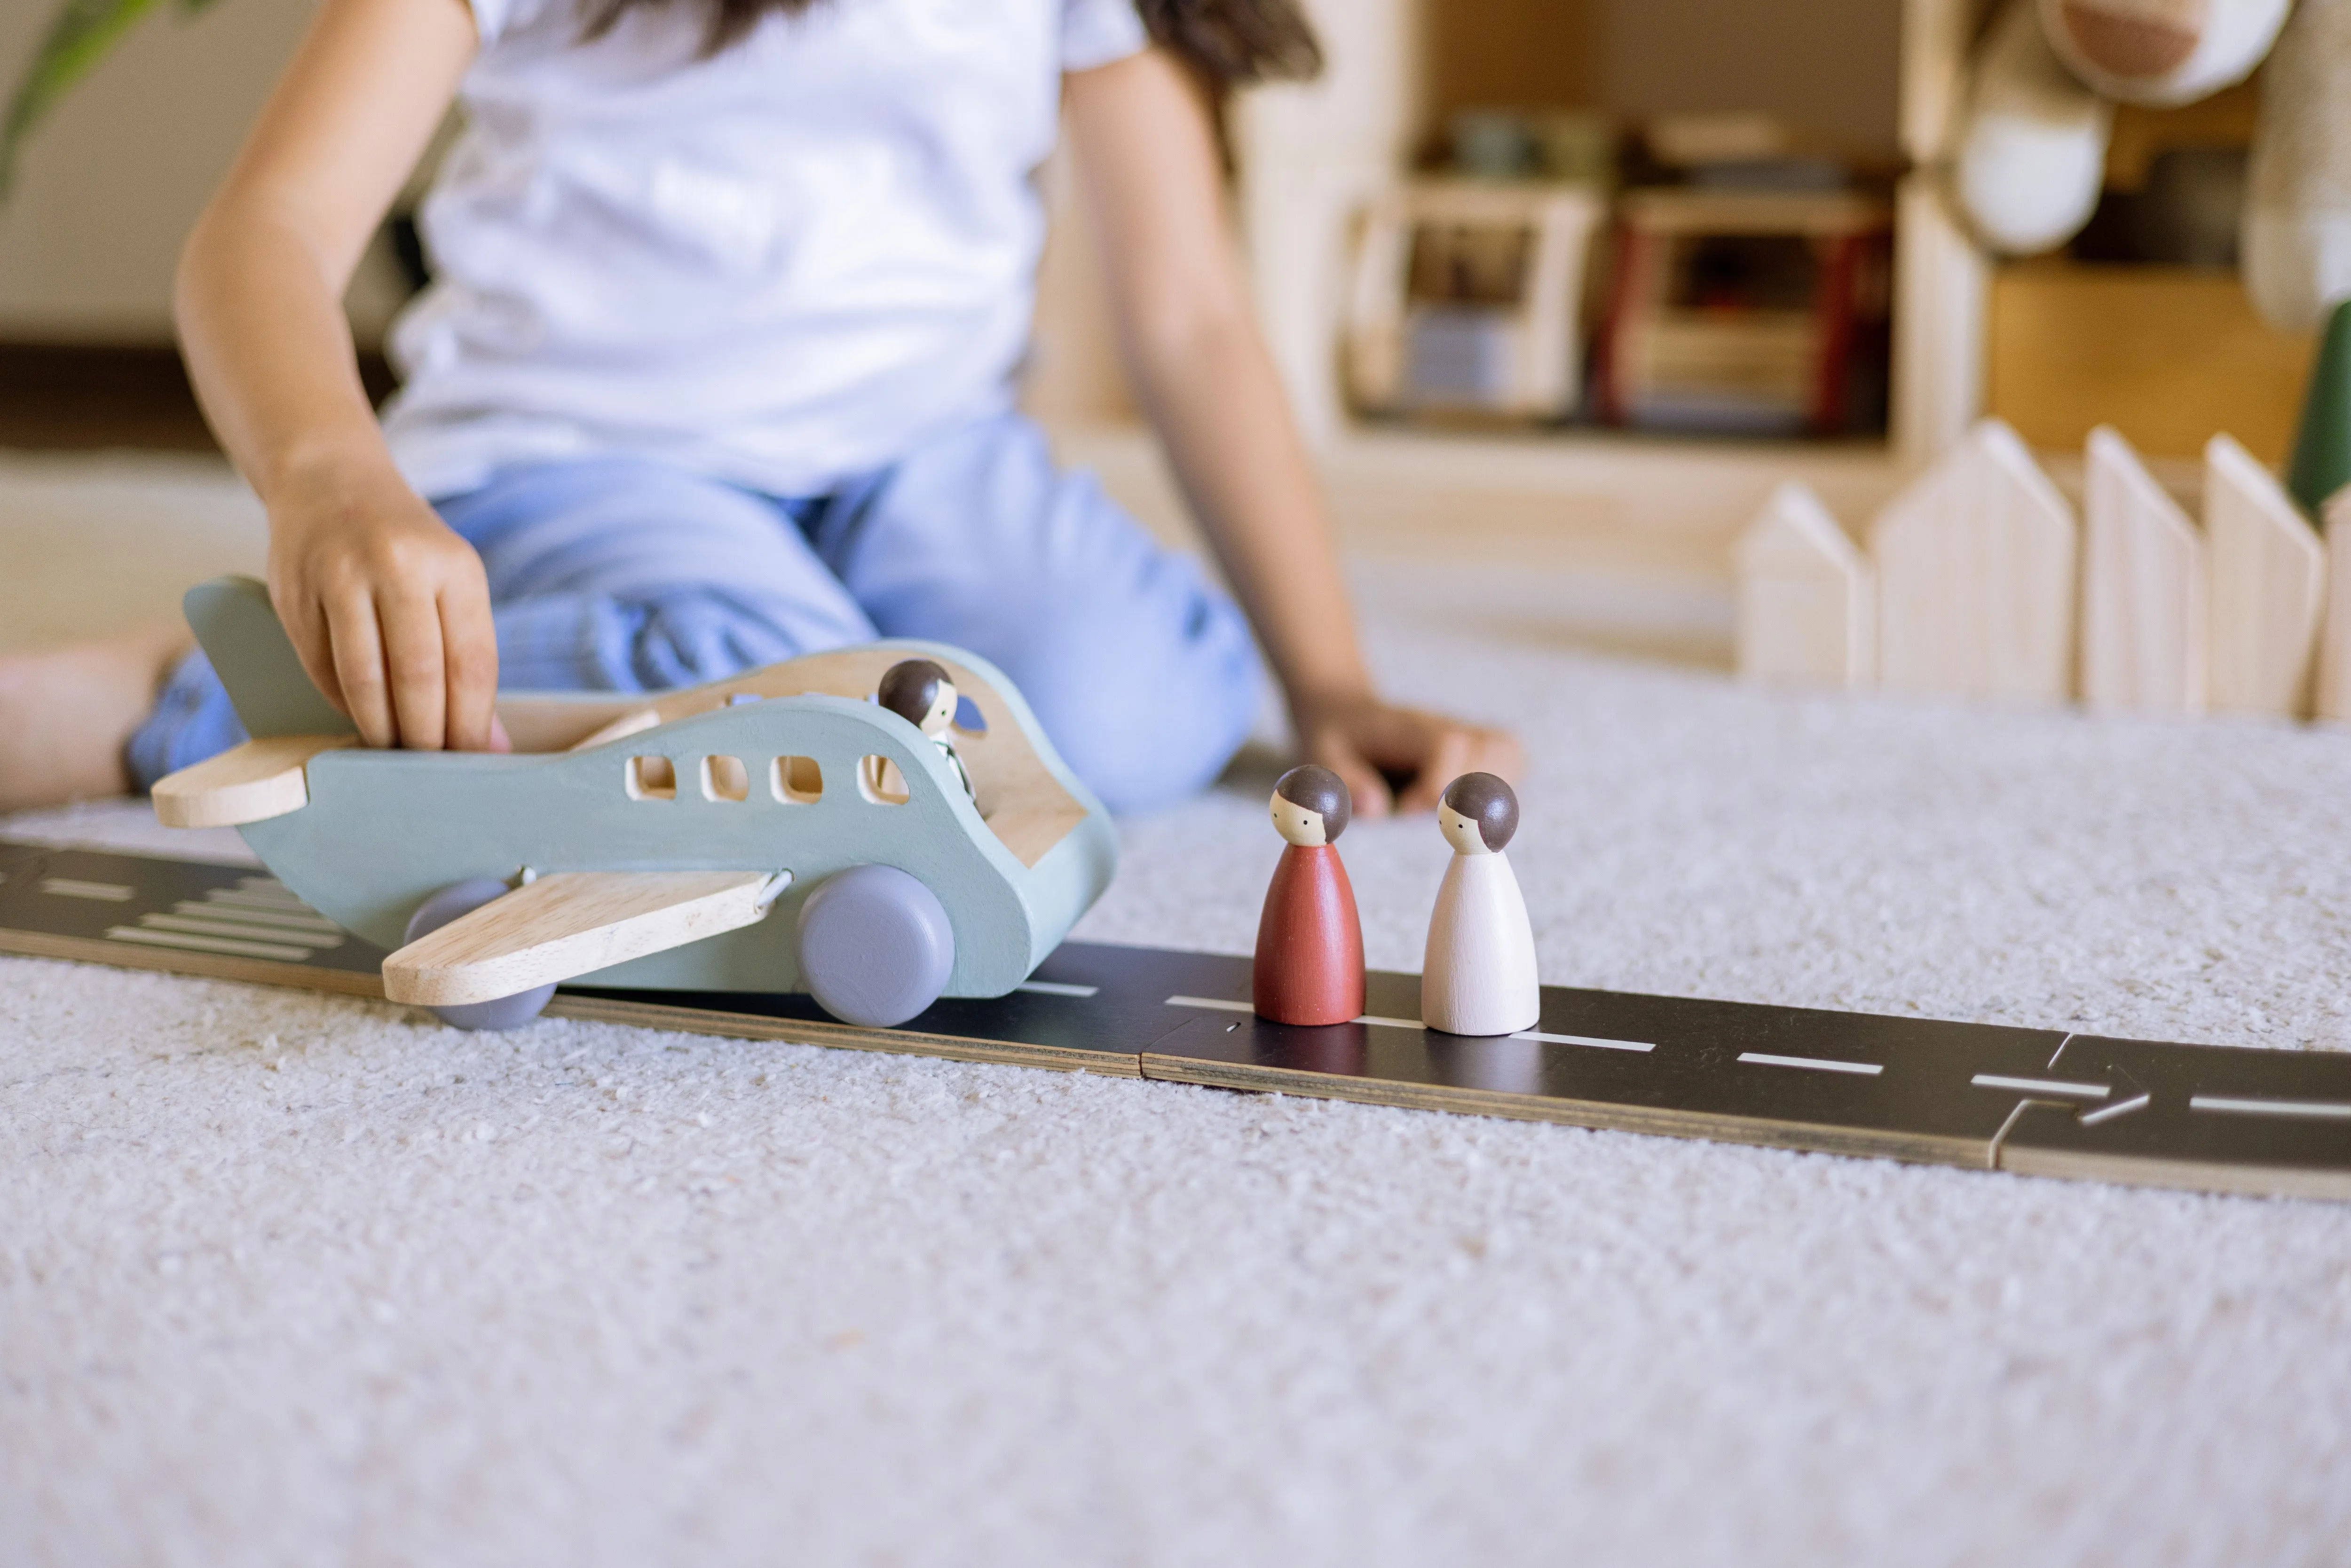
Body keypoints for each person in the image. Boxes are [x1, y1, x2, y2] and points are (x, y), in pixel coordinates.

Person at [0, 0, 1521, 818]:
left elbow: (1189, 318)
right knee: (790, 697)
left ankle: (786, 647)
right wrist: (331, 481)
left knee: (1127, 706)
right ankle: (184, 695)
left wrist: (1326, 678)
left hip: (918, 459)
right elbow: (257, 236)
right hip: (589, 453)